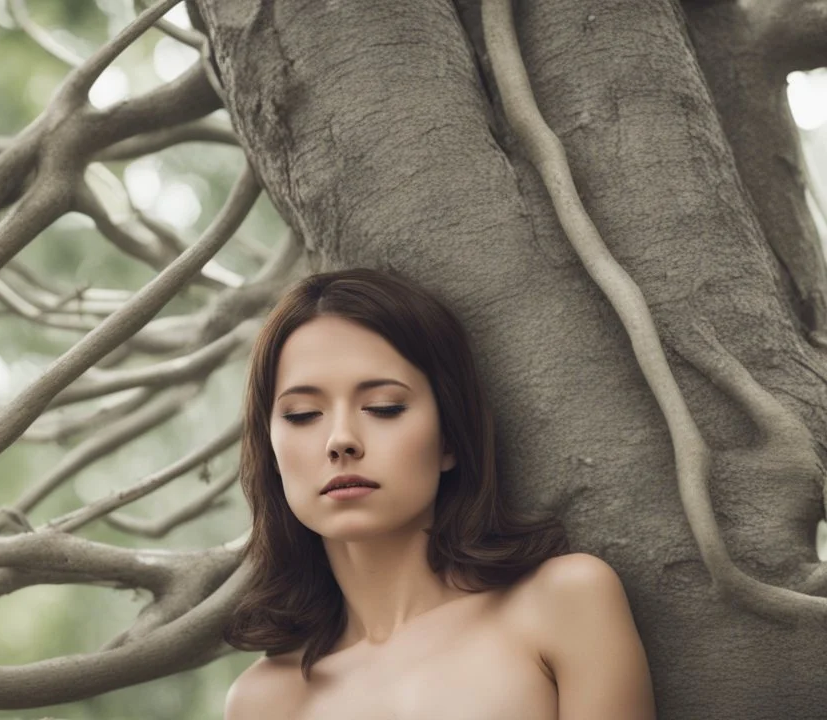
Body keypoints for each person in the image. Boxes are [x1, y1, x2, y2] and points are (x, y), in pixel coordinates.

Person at [221, 268, 655, 719]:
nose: (341, 439)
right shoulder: (261, 701)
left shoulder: (563, 602)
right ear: (271, 453)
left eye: (384, 408)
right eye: (303, 414)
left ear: (449, 437)